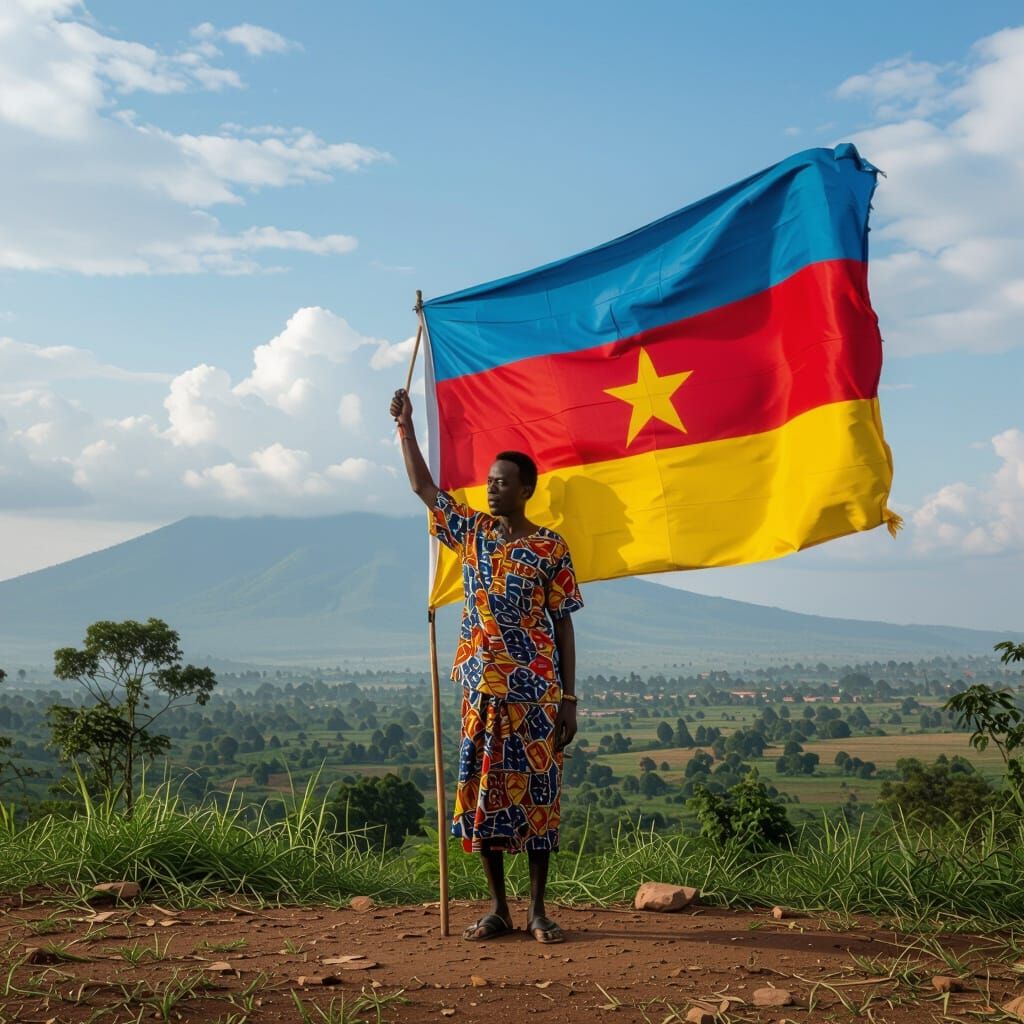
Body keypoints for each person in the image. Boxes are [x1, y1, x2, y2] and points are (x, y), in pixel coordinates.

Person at [389, 387, 583, 943]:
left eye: (502, 482)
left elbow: (564, 623)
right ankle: (499, 908)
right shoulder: (470, 534)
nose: (492, 488)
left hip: (538, 698)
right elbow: (424, 488)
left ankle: (539, 910)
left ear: (526, 490)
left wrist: (569, 699)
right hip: (483, 695)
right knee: (484, 798)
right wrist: (405, 429)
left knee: (540, 800)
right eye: (489, 481)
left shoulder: (550, 548)